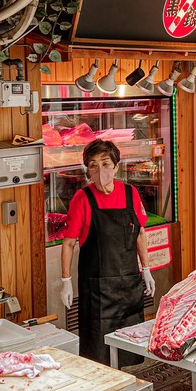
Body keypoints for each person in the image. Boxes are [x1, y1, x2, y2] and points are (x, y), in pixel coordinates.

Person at [59, 139, 155, 370]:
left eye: (105, 163)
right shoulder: (83, 198)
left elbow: (140, 233)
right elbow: (69, 243)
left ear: (116, 166)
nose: (100, 170)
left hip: (129, 285)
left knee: (127, 345)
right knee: (98, 351)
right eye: (93, 165)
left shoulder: (131, 193)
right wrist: (66, 281)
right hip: (97, 290)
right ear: (87, 170)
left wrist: (147, 269)